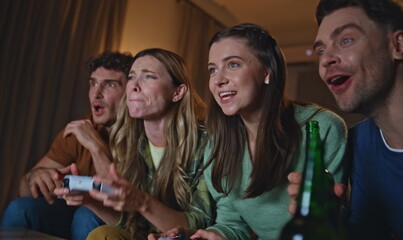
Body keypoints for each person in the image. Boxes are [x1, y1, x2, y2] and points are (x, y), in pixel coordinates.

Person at [151, 23, 347, 240]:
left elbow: (342, 220)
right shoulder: (218, 142)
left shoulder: (322, 128)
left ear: (266, 72)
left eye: (233, 65)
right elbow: (232, 223)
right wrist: (207, 235)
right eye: (212, 70)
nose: (218, 80)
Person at [288, 0, 403, 239]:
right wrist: (331, 219)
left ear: (399, 45)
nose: (325, 60)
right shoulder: (358, 142)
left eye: (346, 40)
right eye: (321, 50)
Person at [77, 48, 214, 239]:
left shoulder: (205, 144)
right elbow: (131, 223)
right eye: (132, 77)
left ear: (178, 92)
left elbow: (201, 224)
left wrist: (142, 202)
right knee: (102, 233)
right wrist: (87, 200)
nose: (134, 86)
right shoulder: (129, 139)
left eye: (149, 77)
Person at [1, 51, 133, 239]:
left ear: (130, 93)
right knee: (20, 209)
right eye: (93, 83)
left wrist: (96, 147)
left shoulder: (142, 135)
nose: (97, 93)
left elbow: (120, 198)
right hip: (72, 213)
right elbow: (23, 189)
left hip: (120, 220)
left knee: (86, 215)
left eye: (110, 84)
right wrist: (36, 177)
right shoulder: (79, 129)